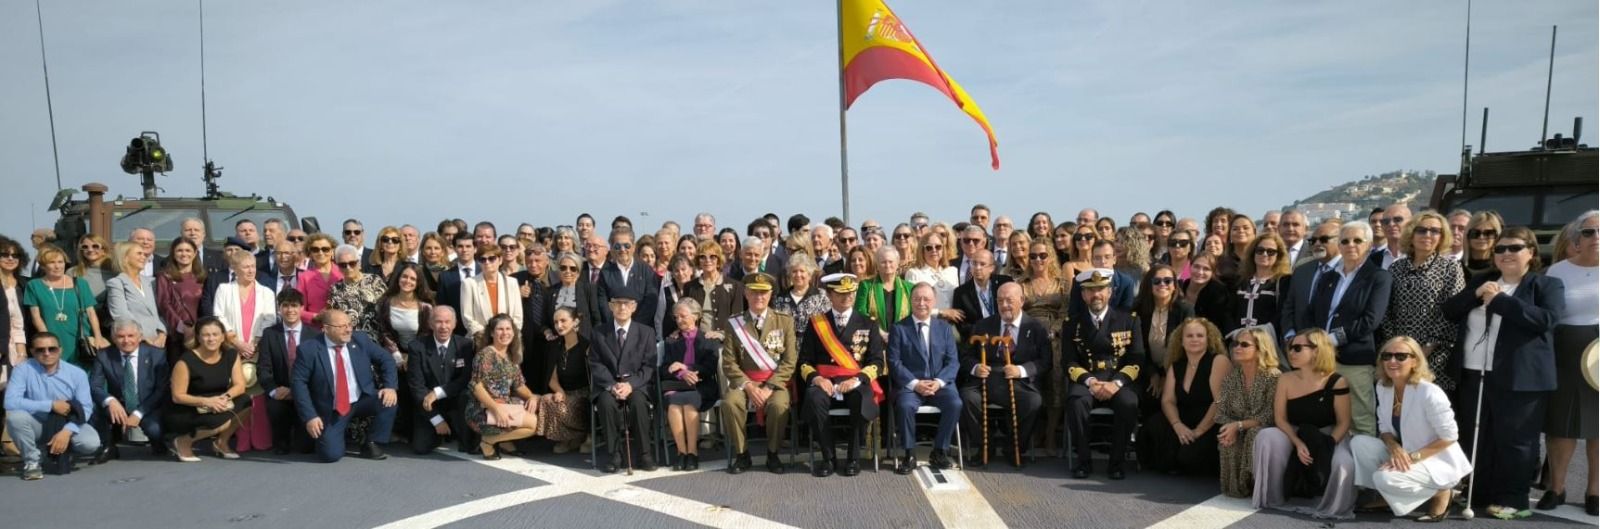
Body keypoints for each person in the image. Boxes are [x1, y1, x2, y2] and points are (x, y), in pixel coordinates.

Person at [1441, 226, 1563, 519]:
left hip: (1521, 378)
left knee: (1516, 440)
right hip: (1474, 372)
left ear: (1531, 253)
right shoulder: (1483, 280)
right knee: (1477, 437)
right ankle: (1478, 492)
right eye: (1500, 249)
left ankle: (1514, 498)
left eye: (1514, 248)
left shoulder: (1546, 285)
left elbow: (1545, 320)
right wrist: (1475, 296)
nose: (1506, 254)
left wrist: (1501, 302)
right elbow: (1449, 311)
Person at [1350, 336, 1472, 521]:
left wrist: (1412, 457)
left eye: (1401, 356)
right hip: (1406, 452)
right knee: (1360, 443)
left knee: (1384, 478)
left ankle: (1442, 491)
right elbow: (1384, 428)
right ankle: (1389, 497)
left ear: (1415, 360)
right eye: (1387, 356)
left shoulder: (1429, 392)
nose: (1392, 361)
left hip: (1436, 460)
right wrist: (1394, 448)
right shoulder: (1384, 387)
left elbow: (1449, 436)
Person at [1299, 221, 1391, 437]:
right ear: (1338, 246)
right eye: (1345, 241)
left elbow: (1371, 320)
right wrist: (1314, 342)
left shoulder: (1379, 277)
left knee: (1360, 420)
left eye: (1357, 240)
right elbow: (1312, 312)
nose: (1351, 245)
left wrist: (1332, 339)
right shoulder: (1328, 277)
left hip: (1355, 359)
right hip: (1322, 360)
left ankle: (1363, 469)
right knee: (1325, 419)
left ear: (1368, 245)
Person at [1252, 329, 1355, 519]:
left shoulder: (1337, 381)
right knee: (1266, 436)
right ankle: (1274, 497)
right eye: (1290, 347)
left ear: (1317, 350)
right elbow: (1280, 418)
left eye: (1298, 348)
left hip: (1328, 434)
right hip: (1293, 431)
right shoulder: (1285, 379)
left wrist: (1327, 445)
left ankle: (1329, 506)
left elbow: (1344, 422)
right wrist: (1298, 443)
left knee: (1344, 463)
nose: (1291, 352)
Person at [799, 273, 885, 477]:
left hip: (854, 380)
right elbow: (804, 361)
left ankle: (853, 457)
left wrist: (857, 380)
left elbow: (877, 362)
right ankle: (829, 457)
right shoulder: (816, 323)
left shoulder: (868, 323)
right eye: (840, 293)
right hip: (825, 380)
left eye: (850, 292)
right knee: (813, 399)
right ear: (829, 294)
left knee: (861, 398)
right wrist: (817, 379)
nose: (847, 297)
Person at [1063, 270, 1147, 479]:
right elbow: (1069, 361)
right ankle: (1083, 461)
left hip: (1118, 379)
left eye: (1100, 289)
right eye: (1090, 291)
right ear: (1083, 295)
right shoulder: (1072, 323)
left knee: (1129, 403)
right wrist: (1090, 381)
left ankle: (1116, 463)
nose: (1096, 295)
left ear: (1110, 292)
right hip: (1087, 378)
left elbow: (1137, 359)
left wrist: (1116, 383)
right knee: (1076, 402)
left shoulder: (1129, 320)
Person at [1542, 211, 1599, 514]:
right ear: (1576, 239)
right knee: (1561, 425)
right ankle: (1557, 488)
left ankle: (1594, 492)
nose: (1596, 238)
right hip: (1564, 352)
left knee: (1598, 427)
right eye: (1589, 232)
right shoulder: (1559, 271)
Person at [291, 308, 398, 463]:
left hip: (362, 399)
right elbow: (298, 384)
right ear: (326, 329)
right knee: (330, 455)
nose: (348, 329)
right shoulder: (309, 349)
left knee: (389, 401)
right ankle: (328, 436)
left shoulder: (360, 340)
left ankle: (372, 442)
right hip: (332, 408)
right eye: (341, 326)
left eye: (349, 324)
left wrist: (390, 387)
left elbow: (386, 359)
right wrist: (310, 416)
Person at [961, 282, 1049, 467]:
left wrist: (1021, 370)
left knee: (1034, 402)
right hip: (987, 377)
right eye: (1000, 301)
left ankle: (1014, 447)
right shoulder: (984, 325)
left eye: (1009, 300)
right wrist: (976, 367)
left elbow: (1045, 361)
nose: (1004, 305)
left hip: (1018, 380)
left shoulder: (1036, 327)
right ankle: (985, 446)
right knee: (968, 397)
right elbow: (966, 356)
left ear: (1022, 301)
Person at [1379, 212, 1465, 395]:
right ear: (1411, 233)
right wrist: (1397, 348)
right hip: (1399, 355)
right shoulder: (1396, 267)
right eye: (1422, 230)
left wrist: (1424, 351)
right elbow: (1386, 311)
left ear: (1442, 236)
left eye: (1435, 231)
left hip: (1435, 356)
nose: (1427, 235)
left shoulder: (1451, 268)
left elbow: (1452, 312)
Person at [719, 272, 797, 474]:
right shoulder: (734, 323)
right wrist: (750, 386)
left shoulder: (784, 321)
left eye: (763, 293)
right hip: (746, 382)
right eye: (754, 292)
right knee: (730, 402)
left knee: (779, 405)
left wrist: (769, 386)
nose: (759, 297)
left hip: (775, 381)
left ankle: (773, 454)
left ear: (770, 294)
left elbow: (789, 361)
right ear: (746, 293)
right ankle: (742, 454)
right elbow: (729, 362)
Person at [5, 332, 101, 480]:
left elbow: (86, 408)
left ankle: (64, 451)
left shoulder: (77, 374)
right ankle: (32, 462)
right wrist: (50, 405)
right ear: (32, 351)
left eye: (52, 349)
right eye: (40, 350)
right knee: (15, 418)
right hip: (37, 422)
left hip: (67, 421)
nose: (47, 353)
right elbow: (10, 402)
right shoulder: (22, 370)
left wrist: (67, 431)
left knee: (91, 443)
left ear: (60, 350)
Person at [1139, 318, 1228, 476]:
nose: (1194, 339)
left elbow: (1220, 402)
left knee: (1189, 458)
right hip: (1184, 418)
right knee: (1152, 427)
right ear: (1181, 340)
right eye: (1189, 336)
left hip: (1212, 421)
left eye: (1200, 335)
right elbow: (1168, 400)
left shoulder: (1218, 361)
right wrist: (1177, 425)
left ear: (1209, 339)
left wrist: (1197, 432)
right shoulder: (1176, 365)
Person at [890, 283, 961, 474]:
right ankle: (909, 454)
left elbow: (953, 362)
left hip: (940, 385)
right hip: (911, 385)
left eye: (926, 299)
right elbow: (894, 363)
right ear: (910, 301)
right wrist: (915, 384)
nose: (922, 303)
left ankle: (939, 451)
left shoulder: (945, 328)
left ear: (934, 302)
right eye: (917, 299)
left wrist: (938, 383)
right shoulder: (899, 328)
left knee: (955, 403)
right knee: (904, 406)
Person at [163, 317, 250, 461]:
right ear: (198, 337)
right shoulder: (185, 361)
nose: (211, 339)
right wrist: (207, 402)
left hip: (218, 400)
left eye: (215, 334)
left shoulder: (231, 354)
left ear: (223, 336)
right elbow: (177, 396)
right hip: (187, 408)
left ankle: (221, 442)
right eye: (206, 335)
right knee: (217, 422)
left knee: (246, 402)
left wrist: (225, 398)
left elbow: (240, 385)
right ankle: (183, 441)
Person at [590, 292, 656, 473]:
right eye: (617, 304)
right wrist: (612, 385)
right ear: (611, 307)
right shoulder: (599, 332)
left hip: (636, 384)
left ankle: (644, 454)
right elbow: (596, 363)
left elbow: (649, 366)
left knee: (638, 403)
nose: (622, 308)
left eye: (627, 304)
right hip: (609, 384)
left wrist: (631, 385)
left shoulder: (646, 332)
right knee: (605, 403)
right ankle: (614, 455)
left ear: (634, 307)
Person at [1216, 325, 1281, 498]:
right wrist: (1231, 428)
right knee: (1226, 435)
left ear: (1260, 349)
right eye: (1236, 344)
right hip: (1238, 427)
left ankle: (1257, 486)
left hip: (1268, 429)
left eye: (1244, 345)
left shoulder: (1273, 377)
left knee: (1254, 433)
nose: (1237, 347)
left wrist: (1239, 425)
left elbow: (1271, 414)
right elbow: (1221, 410)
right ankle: (1236, 487)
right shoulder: (1232, 377)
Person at [90, 320, 170, 460]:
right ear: (114, 339)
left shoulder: (157, 355)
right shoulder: (104, 355)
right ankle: (108, 445)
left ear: (140, 337)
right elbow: (95, 386)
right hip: (118, 405)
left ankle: (158, 443)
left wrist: (139, 413)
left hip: (147, 405)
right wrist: (110, 400)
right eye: (121, 336)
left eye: (131, 336)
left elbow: (161, 390)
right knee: (93, 408)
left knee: (154, 430)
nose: (126, 340)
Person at [466, 314, 538, 460]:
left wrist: (532, 396)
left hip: (504, 405)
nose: (505, 333)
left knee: (541, 415)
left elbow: (519, 385)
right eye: (500, 329)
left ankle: (502, 440)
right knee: (533, 424)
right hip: (483, 409)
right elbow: (476, 386)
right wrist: (496, 409)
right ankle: (488, 441)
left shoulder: (511, 356)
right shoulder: (485, 355)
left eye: (508, 329)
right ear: (492, 333)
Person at [404, 306, 475, 455]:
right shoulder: (417, 347)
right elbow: (417, 387)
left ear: (455, 324)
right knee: (420, 447)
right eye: (438, 322)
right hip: (429, 405)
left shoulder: (465, 345)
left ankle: (457, 430)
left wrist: (437, 392)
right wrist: (436, 420)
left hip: (454, 402)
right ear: (430, 324)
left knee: (470, 446)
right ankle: (442, 430)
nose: (443, 327)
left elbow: (464, 379)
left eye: (448, 322)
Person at [255, 288, 317, 455]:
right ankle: (281, 441)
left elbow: (319, 371)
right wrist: (274, 391)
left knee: (305, 449)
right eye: (285, 306)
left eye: (294, 305)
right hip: (280, 393)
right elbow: (263, 368)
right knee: (275, 408)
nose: (290, 310)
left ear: (302, 308)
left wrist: (300, 392)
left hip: (306, 394)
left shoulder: (314, 335)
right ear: (279, 309)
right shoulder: (269, 334)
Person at [661, 299, 720, 470]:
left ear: (696, 316)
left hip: (701, 385)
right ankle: (682, 453)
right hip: (676, 385)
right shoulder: (671, 340)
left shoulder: (708, 339)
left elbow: (710, 367)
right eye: (676, 317)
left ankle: (692, 452)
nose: (679, 320)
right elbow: (665, 369)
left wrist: (687, 368)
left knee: (688, 404)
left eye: (683, 316)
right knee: (673, 405)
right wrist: (681, 373)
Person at [26, 245, 108, 367]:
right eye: (52, 262)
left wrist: (98, 336)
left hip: (79, 338)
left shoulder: (80, 283)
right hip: (54, 336)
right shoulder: (34, 285)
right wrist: (48, 341)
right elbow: (36, 317)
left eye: (60, 262)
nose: (57, 266)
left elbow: (91, 313)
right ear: (43, 266)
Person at [1131, 265, 1195, 417]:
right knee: (1149, 398)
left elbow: (1187, 349)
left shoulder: (1185, 310)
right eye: (1157, 281)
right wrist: (1153, 374)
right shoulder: (1138, 309)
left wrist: (1168, 375)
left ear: (1174, 286)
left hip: (1178, 370)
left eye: (1168, 281)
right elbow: (1138, 349)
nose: (1162, 285)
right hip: (1146, 369)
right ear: (1149, 285)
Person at [1277, 220, 1340, 351]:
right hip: (1300, 349)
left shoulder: (1349, 271)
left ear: (1340, 241)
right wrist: (1290, 336)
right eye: (1313, 241)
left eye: (1323, 239)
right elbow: (1289, 307)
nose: (1317, 244)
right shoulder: (1301, 270)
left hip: (1336, 350)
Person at [538, 307, 591, 454]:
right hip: (564, 392)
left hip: (583, 395)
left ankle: (582, 434)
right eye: (555, 322)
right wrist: (560, 391)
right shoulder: (555, 346)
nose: (558, 326)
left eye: (563, 321)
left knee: (560, 407)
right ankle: (566, 437)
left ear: (575, 322)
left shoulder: (586, 346)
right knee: (546, 400)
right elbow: (552, 377)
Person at [105, 242, 166, 349]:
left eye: (144, 254)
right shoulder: (116, 283)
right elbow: (120, 314)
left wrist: (162, 333)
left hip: (157, 343)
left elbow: (159, 311)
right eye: (139, 254)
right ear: (125, 258)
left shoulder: (151, 282)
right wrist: (141, 336)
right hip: (134, 343)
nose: (144, 257)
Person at [1225, 233, 1289, 334]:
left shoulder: (1284, 282)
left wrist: (1260, 335)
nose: (1264, 254)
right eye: (1260, 250)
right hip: (1238, 341)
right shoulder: (1239, 280)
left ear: (1278, 255)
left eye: (1271, 252)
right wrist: (1235, 334)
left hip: (1266, 342)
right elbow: (1228, 312)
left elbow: (1281, 315)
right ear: (1253, 253)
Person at [598, 229, 658, 331]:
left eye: (627, 245)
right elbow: (603, 303)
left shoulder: (646, 270)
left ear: (634, 247)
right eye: (617, 246)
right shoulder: (605, 273)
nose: (622, 249)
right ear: (612, 248)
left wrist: (632, 327)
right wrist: (618, 325)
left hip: (642, 330)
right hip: (614, 330)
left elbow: (651, 301)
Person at [683, 240, 744, 333]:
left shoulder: (735, 286)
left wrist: (721, 335)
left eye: (713, 257)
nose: (708, 260)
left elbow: (737, 319)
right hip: (696, 340)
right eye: (702, 257)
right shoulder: (689, 287)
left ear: (719, 260)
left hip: (725, 341)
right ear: (698, 261)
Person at [328, 244, 389, 337]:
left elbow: (387, 310)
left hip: (375, 339)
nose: (348, 268)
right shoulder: (335, 288)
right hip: (349, 340)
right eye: (343, 265)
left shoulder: (374, 281)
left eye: (352, 263)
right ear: (338, 267)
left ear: (359, 263)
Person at [951, 249, 1012, 339]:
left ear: (992, 268)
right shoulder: (961, 293)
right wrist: (985, 332)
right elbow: (962, 326)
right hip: (979, 341)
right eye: (974, 263)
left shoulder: (1004, 283)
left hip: (1006, 336)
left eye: (982, 264)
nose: (977, 267)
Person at [772, 254, 828, 349]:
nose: (798, 275)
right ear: (789, 275)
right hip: (786, 349)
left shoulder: (821, 296)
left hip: (813, 348)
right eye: (794, 271)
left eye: (802, 271)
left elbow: (826, 326)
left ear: (809, 275)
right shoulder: (780, 299)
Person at [544, 252, 602, 343]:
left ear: (578, 272)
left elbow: (597, 319)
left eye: (573, 269)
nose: (568, 271)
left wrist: (595, 342)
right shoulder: (550, 291)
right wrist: (548, 333)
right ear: (558, 270)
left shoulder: (588, 289)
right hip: (557, 343)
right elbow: (544, 321)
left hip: (583, 343)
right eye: (563, 268)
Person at [298, 233, 343, 328]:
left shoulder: (343, 272)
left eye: (325, 249)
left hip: (341, 327)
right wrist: (315, 316)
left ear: (332, 251)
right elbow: (298, 308)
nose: (320, 253)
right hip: (315, 329)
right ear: (310, 254)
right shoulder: (304, 277)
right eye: (315, 250)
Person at [1182, 253, 1230, 331]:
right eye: (1196, 267)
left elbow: (1215, 326)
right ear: (1190, 267)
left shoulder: (1219, 293)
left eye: (1206, 269)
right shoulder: (1179, 288)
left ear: (1212, 273)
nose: (1200, 272)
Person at [1, 236, 28, 369]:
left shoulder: (26, 284)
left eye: (15, 255)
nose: (10, 258)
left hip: (22, 345)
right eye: (4, 255)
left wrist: (22, 352)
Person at [1368, 204, 1412, 270]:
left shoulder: (1420, 256)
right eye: (1386, 221)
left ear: (1411, 222)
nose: (1391, 224)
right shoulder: (1371, 260)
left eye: (1398, 220)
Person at [1462, 211, 1504, 277]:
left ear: (1497, 236)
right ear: (1467, 235)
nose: (1481, 237)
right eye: (1475, 233)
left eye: (1488, 233)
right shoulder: (1455, 268)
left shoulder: (1503, 268)